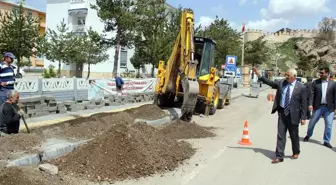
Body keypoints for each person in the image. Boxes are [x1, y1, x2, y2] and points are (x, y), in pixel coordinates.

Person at [253, 67, 307, 164]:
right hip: (282, 113)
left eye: (288, 75)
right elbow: (271, 83)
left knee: (294, 135)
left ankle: (296, 151)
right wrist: (259, 75)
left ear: (294, 77)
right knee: (280, 135)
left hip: (293, 114)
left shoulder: (301, 87)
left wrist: (303, 118)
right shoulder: (282, 83)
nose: (286, 76)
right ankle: (279, 156)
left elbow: (304, 104)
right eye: (286, 74)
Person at [303, 67, 336, 148]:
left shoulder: (333, 84)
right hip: (318, 107)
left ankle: (326, 141)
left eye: (322, 73)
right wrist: (310, 104)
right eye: (320, 73)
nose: (320, 74)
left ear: (327, 73)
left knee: (329, 125)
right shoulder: (316, 82)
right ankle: (308, 135)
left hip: (329, 108)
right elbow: (312, 94)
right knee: (312, 123)